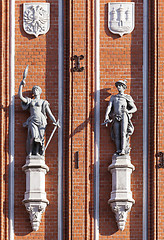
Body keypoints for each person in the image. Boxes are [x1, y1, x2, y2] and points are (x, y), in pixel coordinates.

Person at [18, 78, 58, 156]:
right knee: (33, 136)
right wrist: (21, 85)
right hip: (32, 120)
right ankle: (29, 153)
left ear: (39, 92)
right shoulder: (30, 101)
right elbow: (21, 97)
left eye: (36, 89)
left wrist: (55, 121)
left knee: (39, 138)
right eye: (34, 90)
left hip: (41, 120)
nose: (35, 91)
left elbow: (49, 113)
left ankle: (36, 153)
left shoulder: (43, 102)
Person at [104, 80, 137, 155]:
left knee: (123, 132)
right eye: (117, 86)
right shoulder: (113, 97)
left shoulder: (127, 97)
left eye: (120, 86)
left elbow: (134, 108)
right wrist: (106, 116)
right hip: (115, 116)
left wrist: (127, 111)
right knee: (116, 134)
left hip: (124, 115)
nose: (118, 87)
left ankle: (123, 149)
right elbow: (109, 107)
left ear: (123, 87)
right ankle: (118, 149)